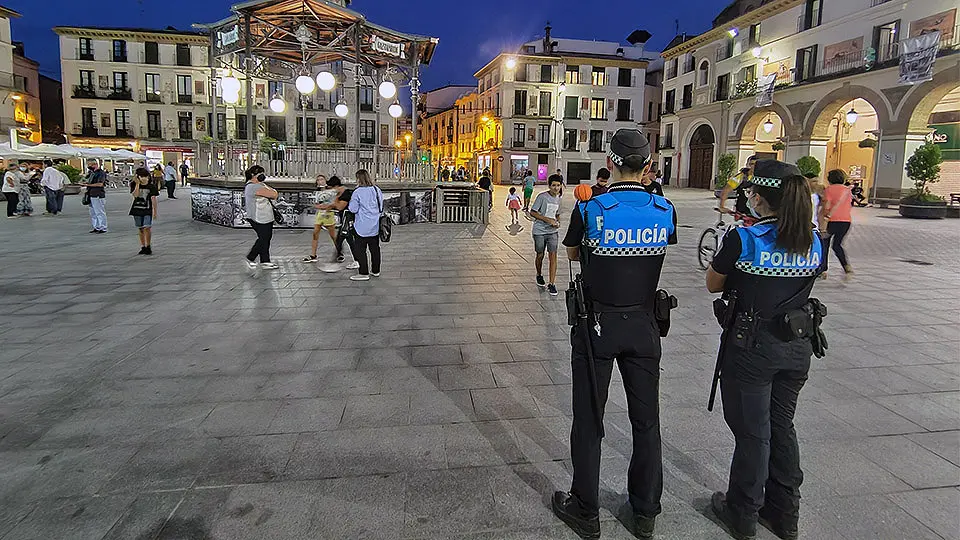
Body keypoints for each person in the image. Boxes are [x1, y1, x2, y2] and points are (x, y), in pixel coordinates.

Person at [554, 129, 678, 539]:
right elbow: (662, 248)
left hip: (597, 325)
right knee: (647, 421)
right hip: (644, 324)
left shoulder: (591, 208)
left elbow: (573, 253)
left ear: (610, 160)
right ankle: (645, 511)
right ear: (647, 164)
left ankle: (585, 509)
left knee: (589, 418)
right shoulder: (664, 209)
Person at [705, 159, 824, 540]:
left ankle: (742, 511)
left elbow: (713, 283)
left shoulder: (746, 238)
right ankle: (784, 514)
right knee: (782, 427)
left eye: (753, 192)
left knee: (753, 432)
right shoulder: (814, 239)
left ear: (761, 198)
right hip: (798, 346)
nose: (749, 197)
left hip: (752, 348)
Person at [347, 169, 384, 281]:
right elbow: (381, 206)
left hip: (362, 225)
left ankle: (363, 272)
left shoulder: (357, 192)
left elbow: (353, 209)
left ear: (358, 179)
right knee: (375, 249)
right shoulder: (376, 189)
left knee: (360, 249)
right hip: (375, 225)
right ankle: (375, 270)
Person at [530, 175, 563, 296]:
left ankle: (552, 283)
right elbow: (532, 212)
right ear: (549, 185)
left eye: (558, 185)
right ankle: (539, 274)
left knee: (553, 256)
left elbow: (558, 213)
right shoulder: (542, 197)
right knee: (540, 254)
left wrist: (557, 222)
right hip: (539, 231)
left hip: (552, 232)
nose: (556, 188)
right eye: (553, 185)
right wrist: (546, 219)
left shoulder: (559, 198)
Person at [243, 165, 279, 273]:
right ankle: (250, 257)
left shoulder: (259, 185)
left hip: (265, 217)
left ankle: (265, 261)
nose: (263, 176)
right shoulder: (253, 187)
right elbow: (274, 194)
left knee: (266, 238)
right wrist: (272, 191)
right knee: (263, 238)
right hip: (259, 217)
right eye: (261, 173)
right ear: (254, 175)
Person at [820, 169, 854, 281]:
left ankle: (823, 270)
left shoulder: (829, 190)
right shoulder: (847, 190)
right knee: (837, 245)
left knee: (825, 245)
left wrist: (824, 217)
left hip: (832, 221)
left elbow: (826, 206)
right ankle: (846, 267)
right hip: (846, 222)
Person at [303, 174, 338, 264]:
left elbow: (334, 203)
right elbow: (316, 203)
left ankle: (339, 252)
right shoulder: (317, 193)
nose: (320, 181)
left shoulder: (332, 191)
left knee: (333, 235)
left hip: (329, 214)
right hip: (320, 214)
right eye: (318, 180)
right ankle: (313, 255)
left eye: (322, 179)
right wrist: (318, 206)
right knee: (315, 234)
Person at [720, 155, 759, 224]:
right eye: (752, 164)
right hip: (743, 213)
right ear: (748, 165)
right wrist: (722, 206)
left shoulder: (763, 178)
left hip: (759, 213)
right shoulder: (741, 177)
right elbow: (726, 190)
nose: (754, 166)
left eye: (756, 164)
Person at [129, 167, 159, 255]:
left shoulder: (151, 186)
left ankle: (148, 245)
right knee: (140, 228)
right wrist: (137, 184)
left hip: (147, 209)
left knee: (147, 227)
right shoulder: (133, 185)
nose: (144, 178)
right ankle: (143, 246)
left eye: (145, 176)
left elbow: (153, 199)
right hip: (137, 209)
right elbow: (135, 195)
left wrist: (155, 211)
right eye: (141, 177)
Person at [82, 159, 108, 233]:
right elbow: (86, 180)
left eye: (90, 165)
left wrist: (88, 185)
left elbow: (100, 184)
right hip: (91, 194)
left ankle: (103, 227)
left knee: (99, 211)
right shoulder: (91, 173)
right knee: (93, 212)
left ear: (95, 164)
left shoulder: (101, 173)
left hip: (98, 194)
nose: (88, 166)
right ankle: (96, 226)